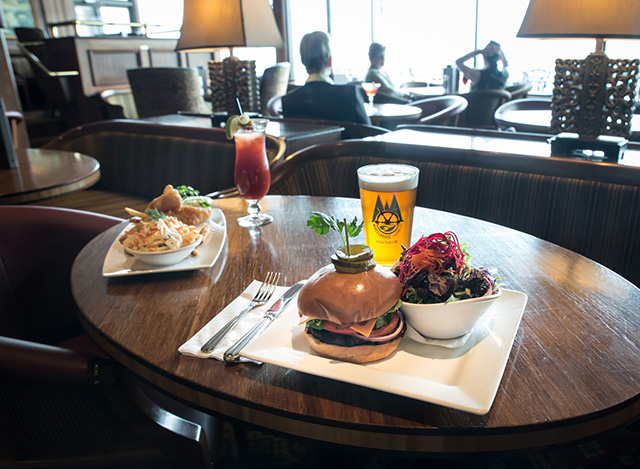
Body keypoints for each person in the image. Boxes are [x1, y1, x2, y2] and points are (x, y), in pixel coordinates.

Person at [282, 31, 371, 125]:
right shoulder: (350, 94)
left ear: (302, 61)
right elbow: (369, 132)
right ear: (330, 61)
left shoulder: (288, 101)